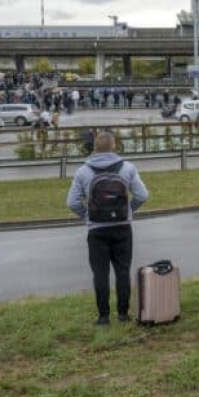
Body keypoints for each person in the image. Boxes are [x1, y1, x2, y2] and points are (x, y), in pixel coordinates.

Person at [66, 131, 149, 326]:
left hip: (97, 230)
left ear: (95, 148)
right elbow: (142, 195)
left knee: (100, 274)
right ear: (114, 146)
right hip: (122, 228)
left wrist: (87, 216)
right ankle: (123, 314)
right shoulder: (127, 168)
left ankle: (103, 317)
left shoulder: (83, 172)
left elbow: (72, 202)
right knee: (123, 271)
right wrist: (129, 210)